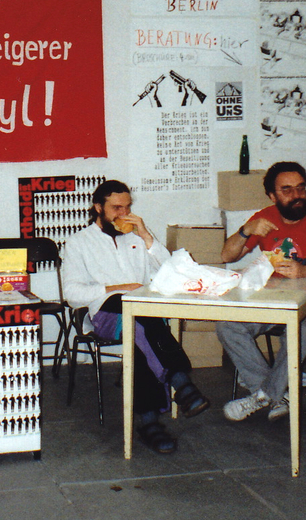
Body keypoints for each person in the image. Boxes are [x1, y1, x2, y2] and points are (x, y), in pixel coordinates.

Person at [61, 179, 210, 453]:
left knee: (138, 334)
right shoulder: (78, 242)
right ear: (98, 207)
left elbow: (171, 271)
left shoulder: (136, 238)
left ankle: (150, 423)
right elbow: (72, 294)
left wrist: (146, 236)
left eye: (127, 207)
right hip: (106, 313)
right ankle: (180, 381)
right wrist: (116, 288)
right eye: (116, 208)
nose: (124, 213)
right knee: (136, 316)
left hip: (140, 314)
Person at [216, 162, 306, 421]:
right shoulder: (265, 218)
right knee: (227, 325)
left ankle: (264, 396)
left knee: (301, 330)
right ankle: (276, 391)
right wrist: (246, 231)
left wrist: (304, 271)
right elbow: (227, 256)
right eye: (287, 190)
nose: (296, 195)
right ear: (272, 196)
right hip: (273, 302)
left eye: (301, 188)